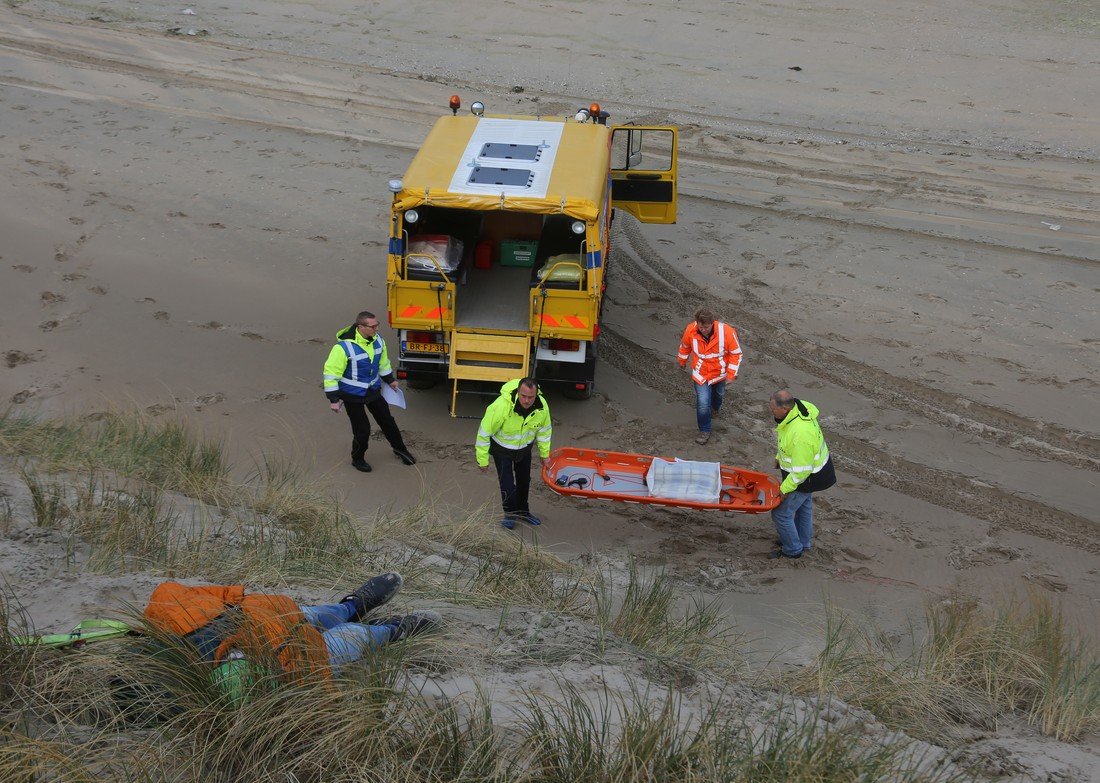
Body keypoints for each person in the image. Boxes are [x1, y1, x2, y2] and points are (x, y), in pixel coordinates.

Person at [143, 572, 440, 687]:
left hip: (269, 616)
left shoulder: (169, 612)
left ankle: (353, 607)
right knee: (353, 638)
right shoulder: (236, 680)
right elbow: (308, 681)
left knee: (321, 614)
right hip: (294, 653)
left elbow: (214, 594)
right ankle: (390, 631)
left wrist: (240, 600)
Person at [323, 311, 416, 472]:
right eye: (372, 326)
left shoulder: (379, 341)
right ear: (360, 327)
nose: (376, 329)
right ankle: (357, 459)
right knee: (362, 430)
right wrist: (334, 400)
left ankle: (400, 450)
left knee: (387, 421)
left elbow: (383, 363)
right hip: (351, 395)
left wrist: (390, 380)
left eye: (377, 325)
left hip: (373, 391)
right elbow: (331, 374)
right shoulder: (342, 347)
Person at [767, 390, 837, 559]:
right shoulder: (798, 411)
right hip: (816, 471)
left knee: (780, 513)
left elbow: (801, 472)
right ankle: (803, 541)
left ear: (785, 409)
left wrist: (784, 489)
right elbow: (788, 443)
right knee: (804, 507)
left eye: (773, 408)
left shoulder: (800, 434)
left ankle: (792, 548)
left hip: (808, 477)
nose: (771, 411)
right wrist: (779, 458)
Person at [475, 377, 552, 529]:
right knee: (508, 485)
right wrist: (482, 460)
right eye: (523, 396)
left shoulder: (542, 407)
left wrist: (545, 455)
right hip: (501, 450)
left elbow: (544, 431)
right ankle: (510, 514)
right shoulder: (501, 406)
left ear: (536, 395)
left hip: (524, 449)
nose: (526, 400)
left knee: (524, 482)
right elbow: (484, 433)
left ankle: (523, 511)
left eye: (531, 397)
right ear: (518, 392)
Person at [676, 308, 743, 445]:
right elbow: (685, 346)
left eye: (706, 327)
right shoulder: (690, 330)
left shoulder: (727, 332)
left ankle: (715, 408)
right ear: (697, 324)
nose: (703, 330)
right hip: (701, 374)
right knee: (702, 403)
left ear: (712, 323)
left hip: (720, 373)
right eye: (701, 327)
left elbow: (736, 354)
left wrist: (731, 375)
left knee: (719, 394)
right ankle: (704, 430)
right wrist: (681, 361)